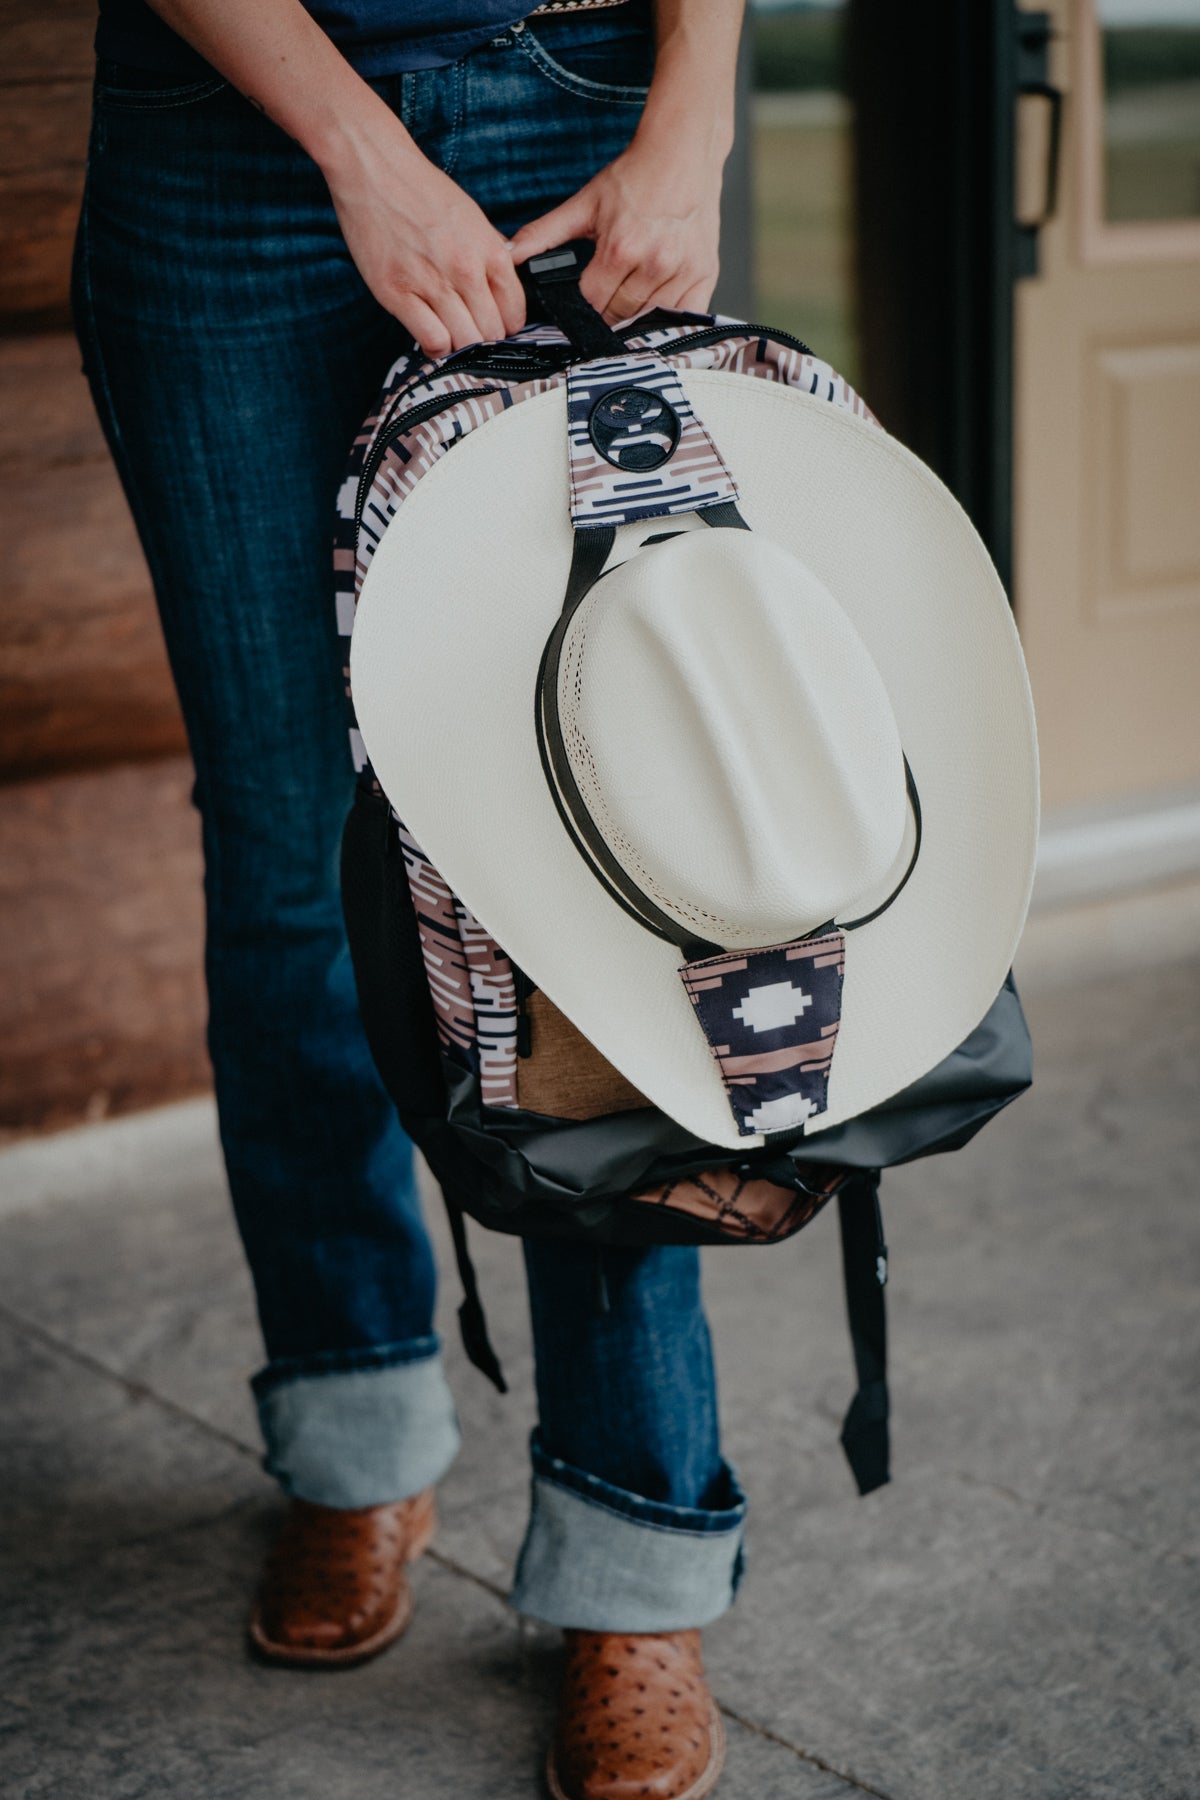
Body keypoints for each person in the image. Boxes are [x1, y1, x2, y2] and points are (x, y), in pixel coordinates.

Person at [74, 2, 744, 1793]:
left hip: (573, 97)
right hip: (230, 152)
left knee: (594, 857)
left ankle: (632, 1555)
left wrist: (696, 111)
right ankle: (357, 1437)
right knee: (292, 859)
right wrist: (359, 150)